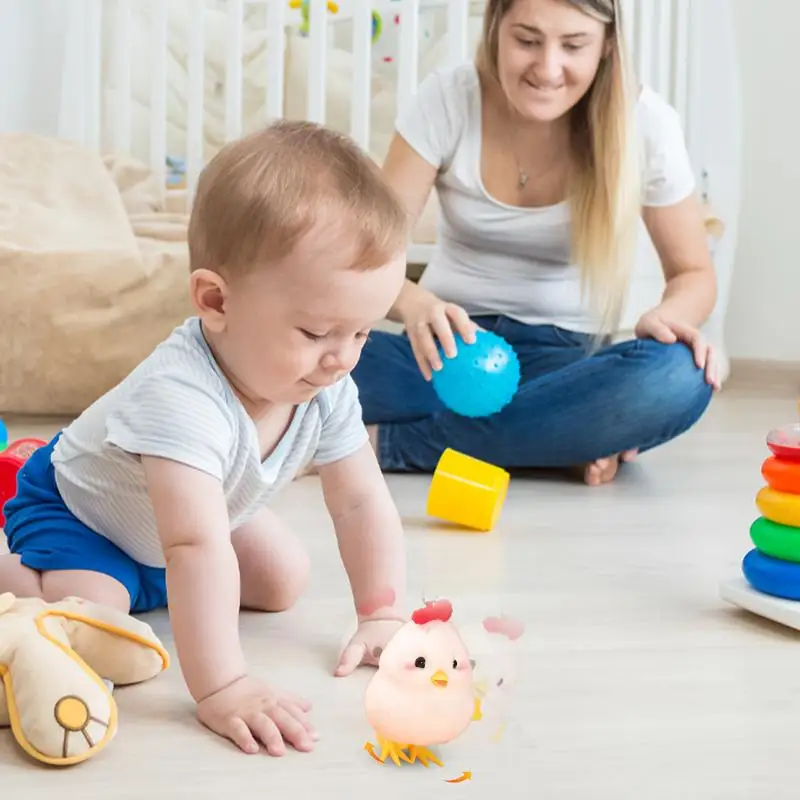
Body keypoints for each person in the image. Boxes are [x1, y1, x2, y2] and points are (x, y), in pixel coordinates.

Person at [0, 121, 411, 757]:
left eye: (360, 334)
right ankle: (15, 572)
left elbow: (360, 502)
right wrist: (223, 686)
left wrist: (380, 612)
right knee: (99, 617)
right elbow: (193, 546)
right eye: (317, 332)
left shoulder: (325, 385)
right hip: (84, 514)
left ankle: (153, 586)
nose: (342, 360)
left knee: (282, 581)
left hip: (195, 518)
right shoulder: (181, 396)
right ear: (215, 300)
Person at [351, 0, 720, 486]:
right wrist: (416, 303)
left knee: (677, 376)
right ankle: (550, 441)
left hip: (568, 366)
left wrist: (670, 316)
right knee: (310, 359)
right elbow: (368, 255)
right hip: (446, 353)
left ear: (607, 46)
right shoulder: (448, 98)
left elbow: (694, 273)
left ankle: (386, 446)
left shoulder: (647, 124)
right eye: (527, 40)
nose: (547, 69)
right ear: (495, 30)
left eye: (573, 45)